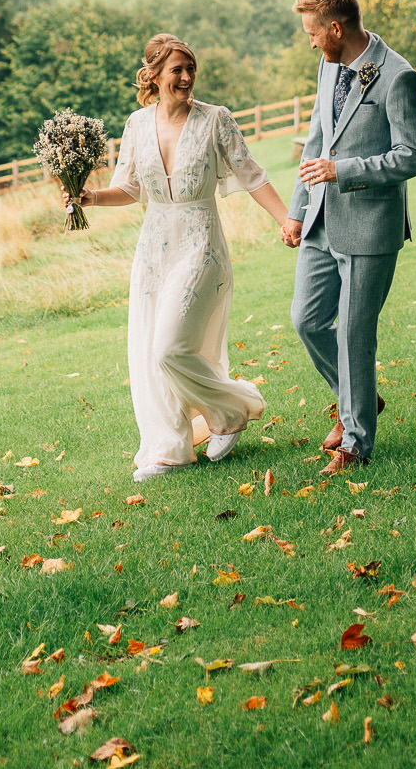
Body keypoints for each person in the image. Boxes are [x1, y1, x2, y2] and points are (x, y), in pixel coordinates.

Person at [75, 34, 294, 483]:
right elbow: (130, 188)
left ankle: (229, 408)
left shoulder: (216, 120)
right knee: (149, 352)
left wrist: (286, 219)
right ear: (153, 75)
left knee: (170, 346)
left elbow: (251, 174)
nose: (187, 78)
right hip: (154, 249)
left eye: (191, 69)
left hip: (201, 244)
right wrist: (90, 198)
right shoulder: (136, 125)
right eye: (177, 70)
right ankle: (170, 448)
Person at [283, 0, 416, 477]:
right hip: (321, 221)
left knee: (353, 334)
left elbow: (415, 155)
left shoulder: (398, 77)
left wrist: (343, 172)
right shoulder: (328, 65)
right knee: (306, 320)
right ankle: (360, 396)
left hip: (370, 227)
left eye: (311, 32)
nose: (308, 41)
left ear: (336, 28)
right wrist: (298, 211)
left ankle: (355, 441)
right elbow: (316, 141)